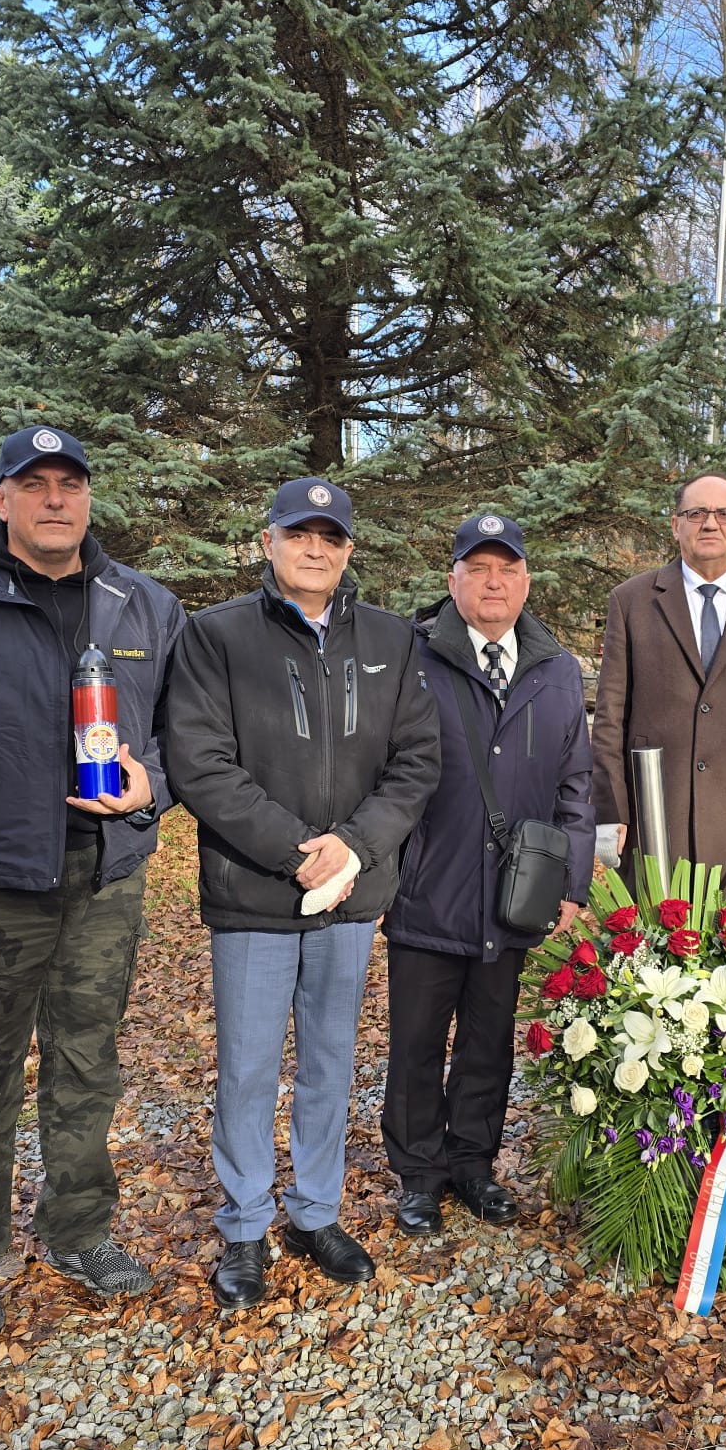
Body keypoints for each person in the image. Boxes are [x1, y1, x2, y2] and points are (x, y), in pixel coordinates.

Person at [0, 425, 187, 1338]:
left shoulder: (142, 606)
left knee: (89, 1065)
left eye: (71, 483)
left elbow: (185, 736)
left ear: (89, 496)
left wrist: (151, 789)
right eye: (35, 483)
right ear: (0, 497)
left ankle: (79, 1227)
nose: (56, 499)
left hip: (106, 880)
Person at [166, 476, 440, 1309]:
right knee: (248, 1068)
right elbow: (199, 763)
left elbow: (417, 761)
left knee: (328, 1062)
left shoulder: (393, 640)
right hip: (254, 889)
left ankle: (314, 1213)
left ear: (349, 549)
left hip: (351, 894)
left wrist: (352, 847)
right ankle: (245, 1227)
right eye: (300, 534)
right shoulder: (215, 638)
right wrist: (296, 851)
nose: (315, 548)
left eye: (331, 536)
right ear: (269, 542)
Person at [379, 514, 594, 1236]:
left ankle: (473, 1164)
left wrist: (572, 883)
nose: (493, 581)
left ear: (527, 582)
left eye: (507, 569)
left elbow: (575, 787)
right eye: (478, 568)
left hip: (514, 899)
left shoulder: (557, 669)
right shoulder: (411, 659)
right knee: (414, 1043)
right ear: (454, 580)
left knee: (488, 1039)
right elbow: (379, 775)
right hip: (427, 891)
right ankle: (418, 1175)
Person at [591, 474, 726, 904]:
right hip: (652, 820)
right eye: (696, 513)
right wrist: (610, 812)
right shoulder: (631, 601)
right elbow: (611, 716)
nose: (710, 523)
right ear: (676, 524)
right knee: (646, 960)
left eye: (725, 514)